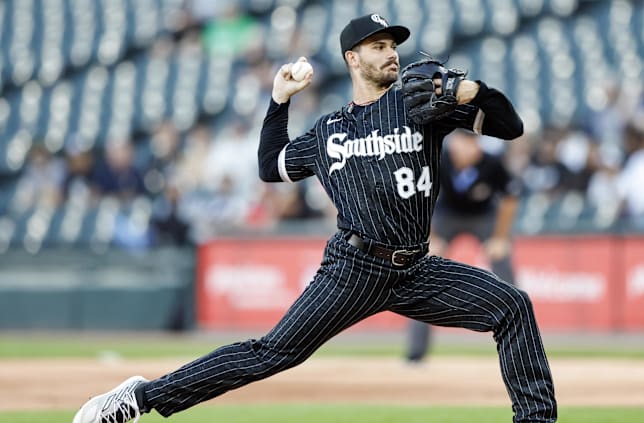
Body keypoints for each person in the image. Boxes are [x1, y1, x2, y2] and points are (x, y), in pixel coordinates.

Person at [72, 13, 557, 423]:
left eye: (394, 46)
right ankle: (138, 399)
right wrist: (279, 100)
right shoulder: (329, 131)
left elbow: (510, 127)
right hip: (353, 269)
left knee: (512, 306)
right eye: (380, 45)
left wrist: (469, 91)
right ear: (353, 58)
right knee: (270, 355)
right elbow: (270, 166)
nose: (392, 54)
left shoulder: (421, 107)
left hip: (417, 267)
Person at [405, 129, 521, 363]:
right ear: (454, 145)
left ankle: (519, 349)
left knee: (505, 272)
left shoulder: (492, 163)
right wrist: (430, 237)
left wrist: (500, 237)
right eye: (463, 144)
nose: (468, 149)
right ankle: (416, 352)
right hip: (446, 215)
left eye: (472, 144)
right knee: (421, 272)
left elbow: (509, 199)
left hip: (484, 217)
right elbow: (419, 198)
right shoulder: (437, 159)